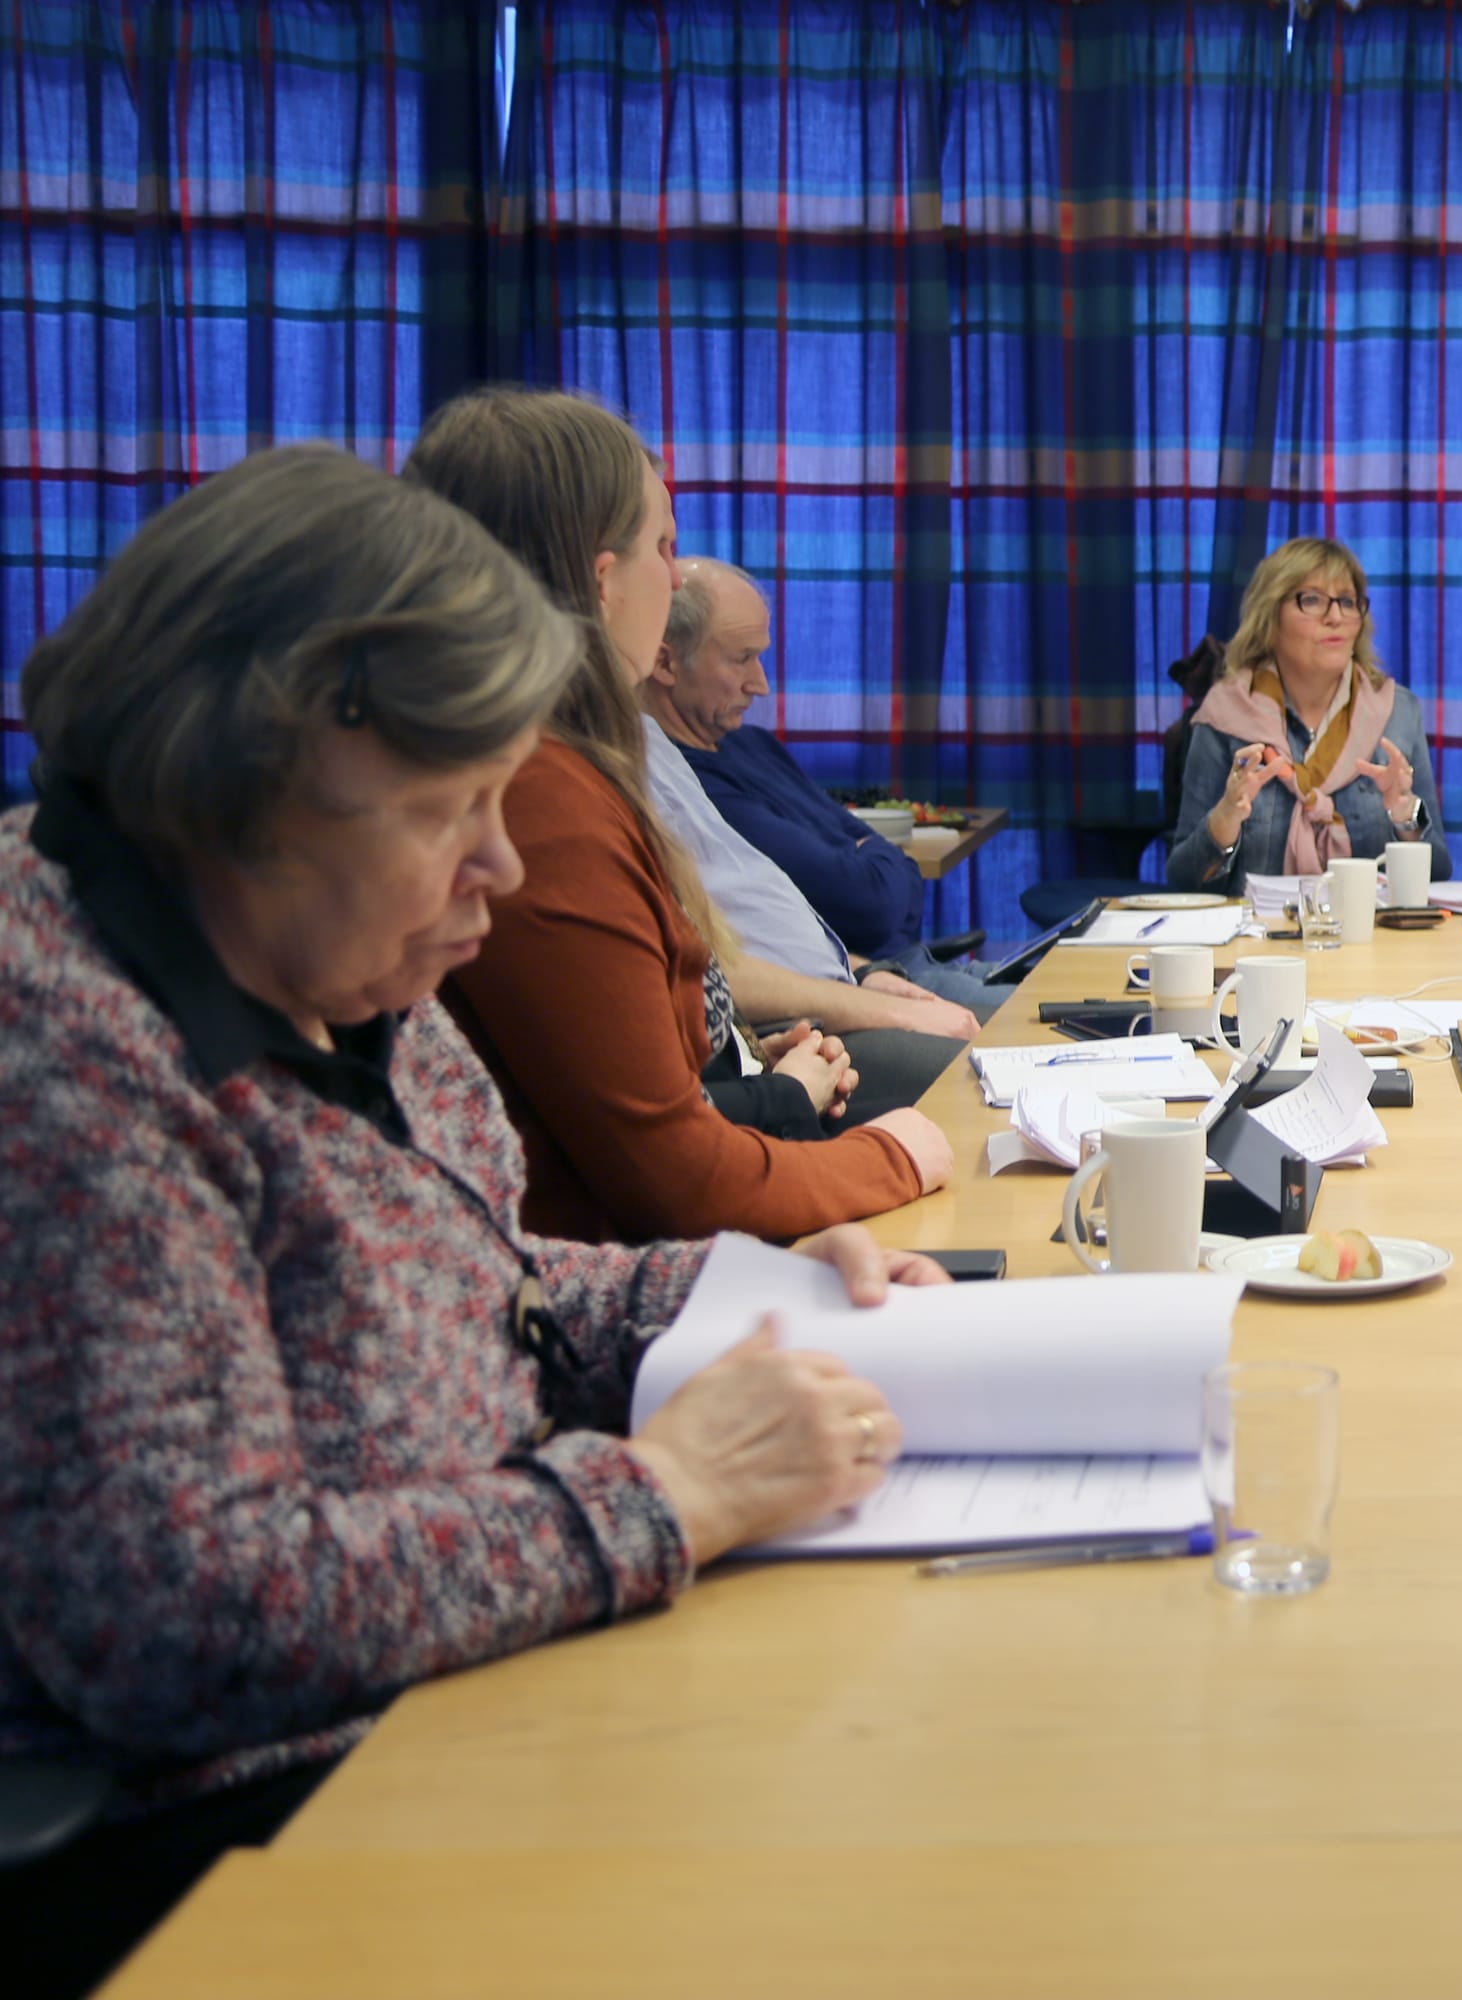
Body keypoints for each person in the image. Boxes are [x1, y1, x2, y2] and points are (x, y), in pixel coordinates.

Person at [0, 447, 941, 1998]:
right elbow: (180, 1618)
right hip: (244, 1837)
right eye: (450, 811)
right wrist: (666, 1495)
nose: (499, 871)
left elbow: (473, 1282)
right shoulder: (67, 1060)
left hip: (463, 1690)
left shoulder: (340, 958)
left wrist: (727, 1285)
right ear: (240, 792)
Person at [402, 387, 953, 1241]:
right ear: (602, 582)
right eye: (664, 546)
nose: (675, 572)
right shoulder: (543, 800)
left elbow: (629, 1084)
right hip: (629, 1273)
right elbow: (673, 1179)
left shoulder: (554, 764)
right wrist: (896, 1157)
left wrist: (738, 1068)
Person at [653, 557, 1011, 1017]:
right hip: (866, 989)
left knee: (1069, 991)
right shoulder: (688, 785)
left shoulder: (752, 743)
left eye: (760, 657)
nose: (760, 685)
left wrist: (872, 858)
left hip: (899, 967)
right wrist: (870, 854)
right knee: (1050, 1023)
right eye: (741, 659)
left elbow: (889, 878)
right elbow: (871, 903)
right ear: (666, 662)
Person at [1165, 537, 1451, 892]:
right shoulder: (1224, 716)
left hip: (1369, 925)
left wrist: (1406, 813)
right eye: (1312, 600)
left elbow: (1439, 871)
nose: (1336, 617)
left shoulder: (1397, 711)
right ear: (1270, 617)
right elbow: (1183, 880)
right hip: (1255, 928)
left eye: (1347, 601)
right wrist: (1224, 821)